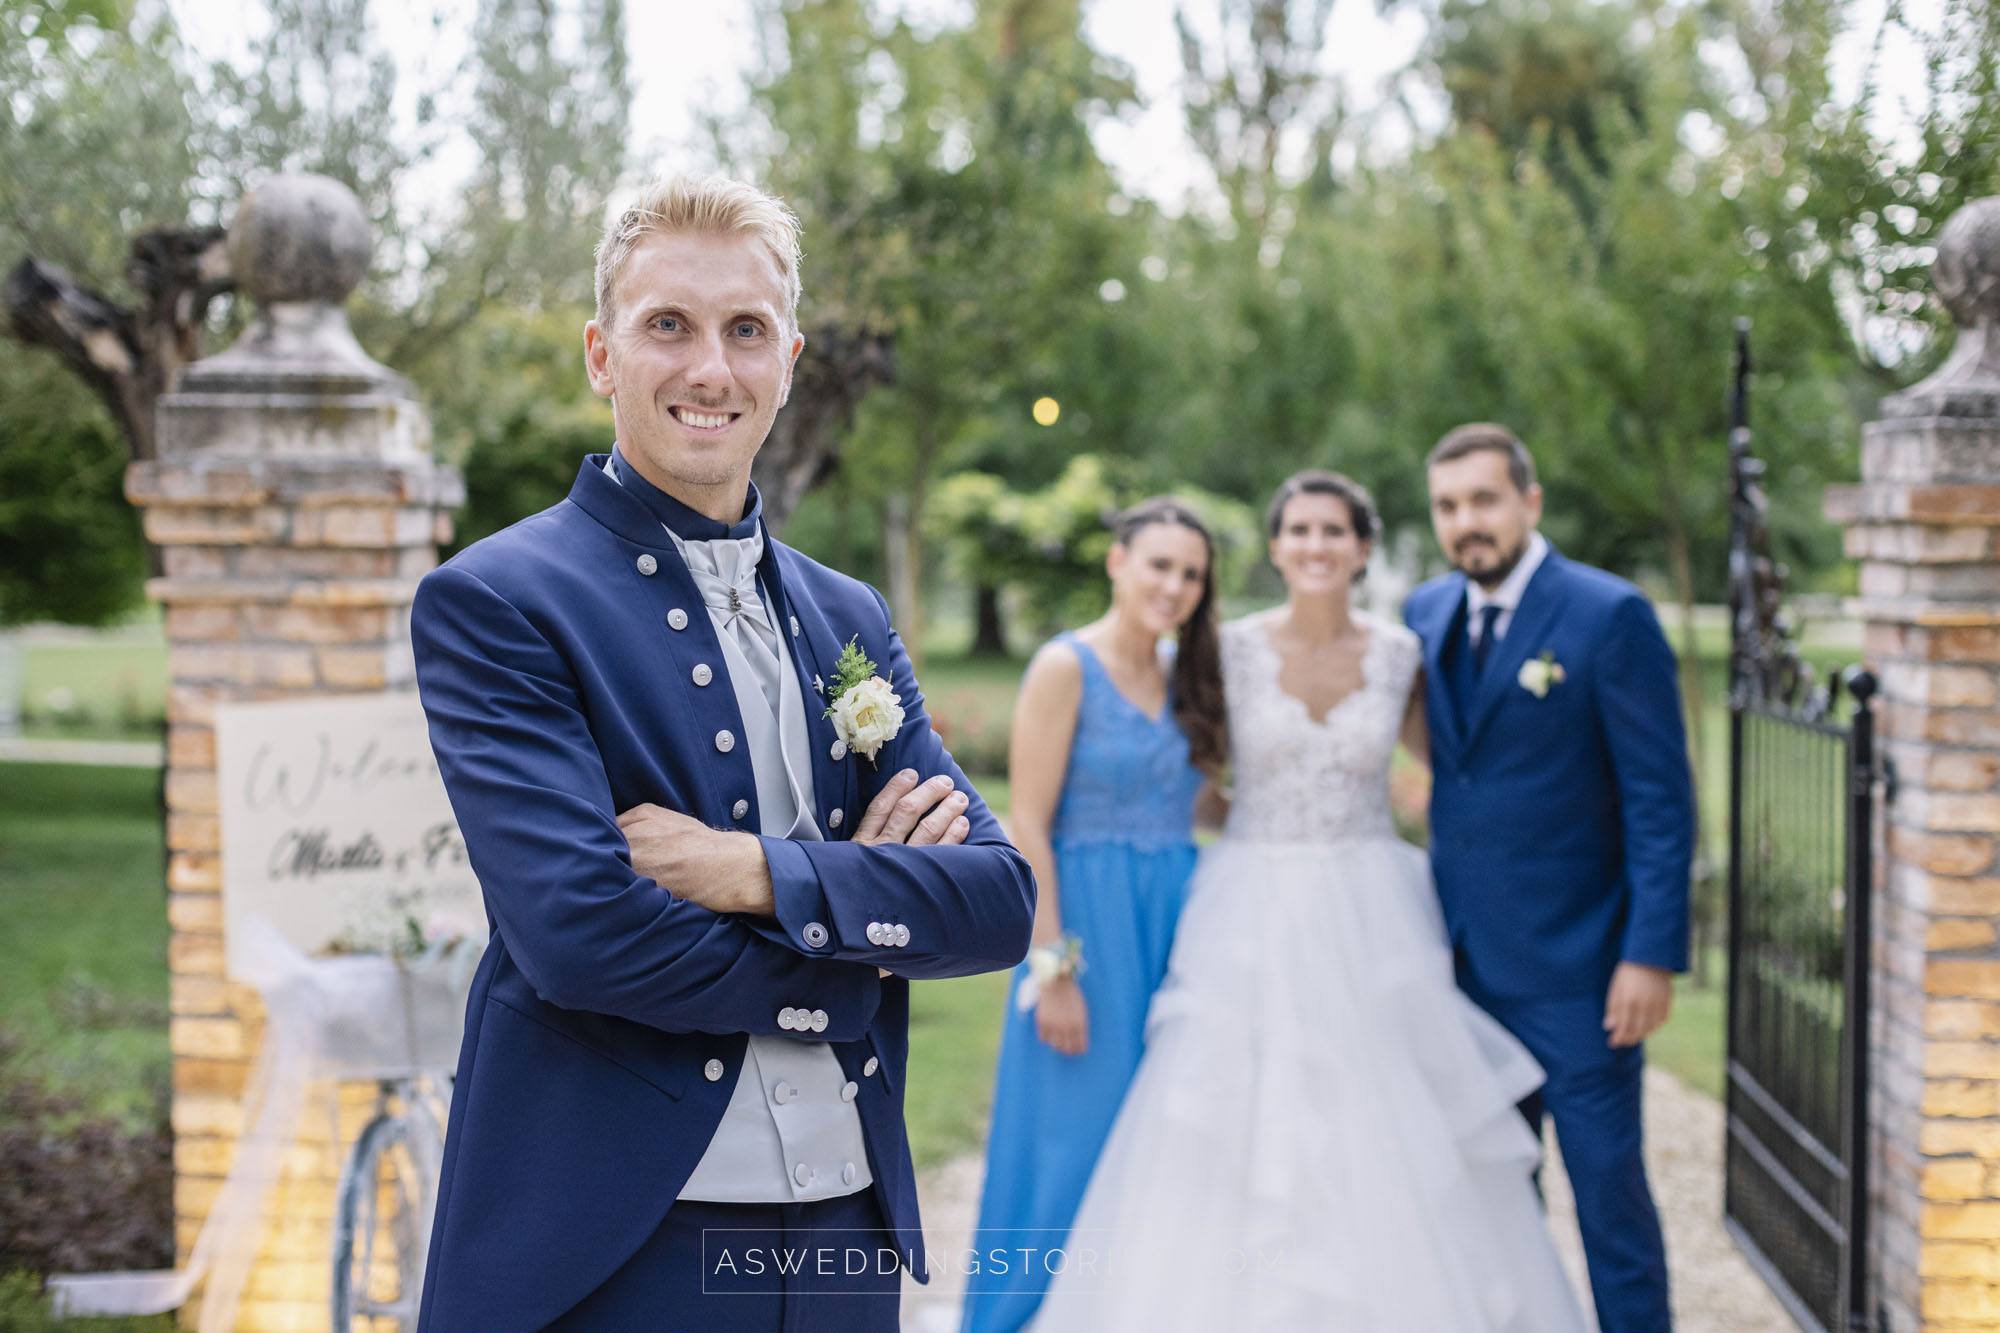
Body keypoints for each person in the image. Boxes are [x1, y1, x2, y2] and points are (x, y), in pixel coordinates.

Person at [409, 175, 1035, 1333]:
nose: (711, 369)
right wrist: (857, 955)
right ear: (602, 355)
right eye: (668, 326)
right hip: (619, 1235)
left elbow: (995, 902)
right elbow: (582, 936)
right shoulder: (498, 601)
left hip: (848, 1224)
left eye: (745, 330)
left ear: (787, 360)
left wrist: (751, 871)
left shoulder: (848, 613)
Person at [1033, 471, 1585, 1332]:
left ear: (1362, 549)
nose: (1317, 546)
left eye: (1335, 531)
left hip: (1373, 907)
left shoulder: (1401, 653)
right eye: (1299, 530)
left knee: (1390, 1111)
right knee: (1226, 1112)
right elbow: (1175, 769)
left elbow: (1463, 769)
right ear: (1276, 546)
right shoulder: (1228, 650)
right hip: (1249, 900)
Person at [1406, 423, 1694, 1333]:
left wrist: (1650, 953)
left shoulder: (1608, 616)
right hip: (1465, 972)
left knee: (1610, 1202)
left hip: (1584, 976)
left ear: (1530, 502)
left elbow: (1661, 802)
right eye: (1449, 506)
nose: (1467, 523)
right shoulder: (1423, 614)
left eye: (1484, 500)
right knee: (1493, 1201)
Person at [959, 499, 1225, 1333]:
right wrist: (1054, 968)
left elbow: (1206, 804)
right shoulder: (1064, 666)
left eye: (1191, 574)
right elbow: (1027, 821)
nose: (1174, 586)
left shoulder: (1193, 676)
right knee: (1068, 1144)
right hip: (1083, 931)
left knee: (1165, 1144)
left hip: (1177, 929)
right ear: (1118, 562)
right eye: (1159, 565)